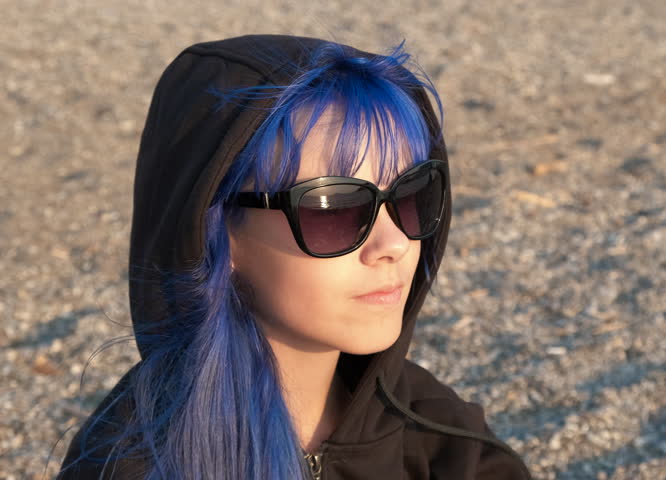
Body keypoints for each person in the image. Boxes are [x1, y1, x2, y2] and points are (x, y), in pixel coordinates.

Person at [56, 34, 532, 479]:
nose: (395, 244)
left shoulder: (439, 436)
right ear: (215, 235)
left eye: (413, 195)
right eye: (334, 207)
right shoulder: (134, 459)